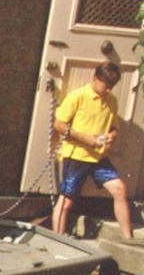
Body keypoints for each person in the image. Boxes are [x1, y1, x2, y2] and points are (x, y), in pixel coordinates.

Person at [51, 62, 133, 239]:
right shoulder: (77, 96)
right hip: (76, 156)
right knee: (66, 201)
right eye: (106, 85)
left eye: (112, 86)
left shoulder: (111, 100)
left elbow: (113, 127)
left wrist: (112, 136)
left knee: (120, 189)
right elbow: (59, 124)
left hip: (99, 158)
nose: (109, 90)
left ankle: (129, 239)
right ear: (96, 79)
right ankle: (58, 238)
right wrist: (86, 139)